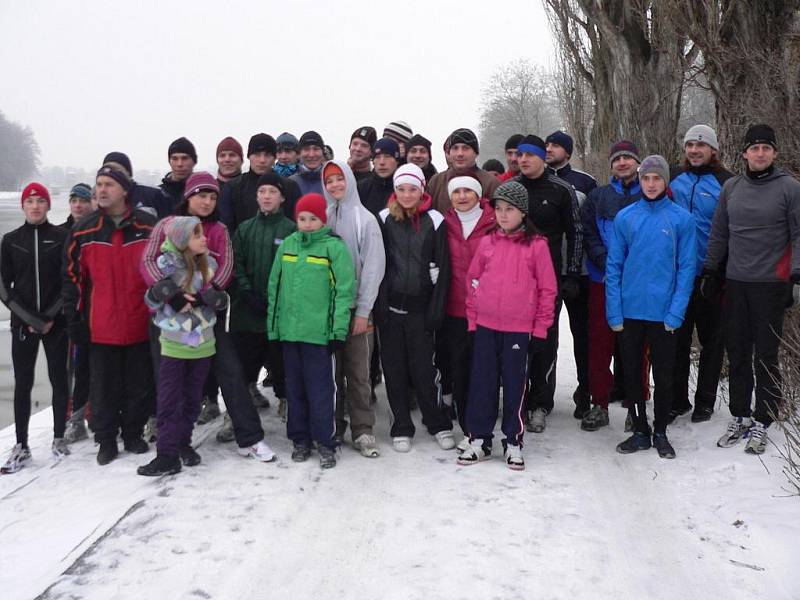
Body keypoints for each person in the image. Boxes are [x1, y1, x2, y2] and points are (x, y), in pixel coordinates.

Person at [141, 172, 276, 461]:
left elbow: (225, 267)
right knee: (169, 385)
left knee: (230, 372)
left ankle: (249, 438)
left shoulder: (218, 229)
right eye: (202, 195)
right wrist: (172, 292)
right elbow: (149, 259)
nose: (207, 201)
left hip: (205, 320)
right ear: (188, 196)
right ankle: (172, 445)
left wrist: (207, 294)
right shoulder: (167, 225)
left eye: (213, 197)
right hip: (170, 322)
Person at [704, 124, 800, 455]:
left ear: (774, 153)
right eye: (754, 147)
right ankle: (740, 414)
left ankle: (765, 416)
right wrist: (711, 270)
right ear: (744, 153)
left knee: (766, 354)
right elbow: (719, 233)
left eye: (766, 148)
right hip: (736, 282)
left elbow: (798, 234)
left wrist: (795, 277)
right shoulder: (731, 188)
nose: (760, 153)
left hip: (772, 284)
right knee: (739, 351)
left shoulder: (789, 188)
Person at [458, 181, 557, 470]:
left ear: (523, 213)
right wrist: (473, 320)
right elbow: (473, 281)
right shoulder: (488, 242)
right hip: (487, 326)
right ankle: (480, 439)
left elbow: (547, 290)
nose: (503, 215)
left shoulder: (537, 246)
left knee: (515, 385)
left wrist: (540, 330)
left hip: (518, 328)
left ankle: (513, 440)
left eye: (509, 210)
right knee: (483, 383)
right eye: (499, 209)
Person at [63, 164, 156, 465]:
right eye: (99, 184)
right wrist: (74, 320)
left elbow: (162, 270)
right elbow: (72, 279)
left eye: (109, 185)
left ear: (125, 190)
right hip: (100, 325)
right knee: (102, 388)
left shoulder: (146, 227)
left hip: (139, 321)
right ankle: (105, 440)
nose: (102, 190)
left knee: (138, 385)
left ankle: (133, 434)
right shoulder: (84, 230)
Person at [606, 155, 696, 459]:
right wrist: (614, 311)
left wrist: (676, 311)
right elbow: (614, 266)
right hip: (630, 311)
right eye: (646, 178)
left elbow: (686, 269)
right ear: (640, 180)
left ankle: (660, 431)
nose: (651, 184)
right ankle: (640, 430)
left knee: (665, 373)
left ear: (666, 180)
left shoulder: (681, 219)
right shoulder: (626, 217)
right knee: (631, 373)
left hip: (664, 313)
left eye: (657, 178)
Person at [267, 193, 356, 469]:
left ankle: (325, 441)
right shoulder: (288, 246)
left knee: (321, 391)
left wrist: (337, 332)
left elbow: (344, 292)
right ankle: (300, 439)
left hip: (319, 335)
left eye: (313, 219)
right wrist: (273, 329)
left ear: (323, 220)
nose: (306, 224)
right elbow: (275, 287)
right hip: (290, 333)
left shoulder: (334, 248)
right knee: (294, 390)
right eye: (302, 218)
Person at [375, 163, 455, 453]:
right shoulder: (383, 219)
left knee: (424, 369)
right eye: (401, 189)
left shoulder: (435, 219)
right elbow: (378, 264)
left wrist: (436, 305)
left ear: (422, 189)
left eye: (412, 189)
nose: (407, 195)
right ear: (395, 191)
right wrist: (380, 306)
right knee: (394, 370)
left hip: (422, 308)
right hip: (392, 308)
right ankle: (401, 425)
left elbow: (443, 266)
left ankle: (438, 423)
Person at [138, 216, 226, 476]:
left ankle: (184, 443)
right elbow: (150, 299)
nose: (204, 238)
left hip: (203, 344)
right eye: (197, 235)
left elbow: (221, 296)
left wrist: (214, 298)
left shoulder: (209, 264)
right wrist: (165, 294)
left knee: (192, 398)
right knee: (169, 399)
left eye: (202, 234)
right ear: (181, 240)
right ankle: (166, 455)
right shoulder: (166, 265)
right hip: (174, 345)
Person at [513, 135, 583, 433]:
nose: (523, 160)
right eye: (519, 155)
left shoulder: (561, 189)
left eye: (529, 155)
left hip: (549, 280)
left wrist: (571, 273)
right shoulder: (512, 188)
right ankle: (517, 399)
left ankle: (540, 403)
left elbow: (576, 232)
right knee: (517, 341)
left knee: (544, 341)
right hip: (515, 279)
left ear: (543, 157)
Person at [0, 183, 70, 473]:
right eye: (30, 201)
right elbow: (4, 287)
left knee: (58, 378)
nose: (36, 205)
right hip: (23, 323)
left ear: (49, 206)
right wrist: (30, 319)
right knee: (24, 382)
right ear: (23, 206)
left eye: (41, 200)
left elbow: (69, 282)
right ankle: (21, 445)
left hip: (56, 321)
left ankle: (58, 437)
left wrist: (49, 316)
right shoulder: (11, 240)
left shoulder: (62, 237)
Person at [580, 140, 646, 432]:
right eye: (617, 158)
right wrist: (606, 263)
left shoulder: (649, 194)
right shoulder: (597, 197)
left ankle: (637, 404)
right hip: (602, 280)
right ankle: (599, 403)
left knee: (637, 344)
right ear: (611, 165)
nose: (622, 163)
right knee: (600, 343)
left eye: (628, 158)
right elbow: (589, 233)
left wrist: (631, 270)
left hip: (637, 283)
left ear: (637, 163)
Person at [669, 125, 733, 423]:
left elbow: (734, 230)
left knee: (712, 340)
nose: (694, 150)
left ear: (713, 150)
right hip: (678, 276)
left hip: (712, 275)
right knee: (677, 340)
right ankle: (677, 399)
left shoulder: (727, 183)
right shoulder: (673, 179)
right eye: (690, 145)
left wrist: (720, 271)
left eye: (701, 145)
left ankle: (705, 401)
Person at [322, 160, 386, 457]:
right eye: (329, 181)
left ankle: (362, 429)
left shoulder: (365, 220)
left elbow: (373, 267)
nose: (335, 185)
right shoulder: (323, 217)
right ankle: (334, 425)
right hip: (328, 311)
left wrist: (363, 311)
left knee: (358, 372)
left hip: (358, 311)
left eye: (339, 179)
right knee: (332, 373)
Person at [230, 172, 296, 421]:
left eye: (272, 192)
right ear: (256, 196)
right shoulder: (245, 229)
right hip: (248, 311)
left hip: (278, 312)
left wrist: (275, 298)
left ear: (282, 197)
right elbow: (236, 264)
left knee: (280, 363)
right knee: (246, 362)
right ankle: (241, 410)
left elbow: (294, 270)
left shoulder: (291, 229)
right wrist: (246, 292)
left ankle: (286, 400)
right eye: (262, 191)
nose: (267, 196)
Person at [545, 130, 597, 418]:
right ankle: (543, 395)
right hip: (547, 271)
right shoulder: (537, 181)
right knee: (545, 337)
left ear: (568, 150)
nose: (549, 149)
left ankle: (585, 392)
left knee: (583, 335)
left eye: (555, 145)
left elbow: (590, 227)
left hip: (580, 273)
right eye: (547, 145)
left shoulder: (585, 182)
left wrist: (579, 269)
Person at [443, 175, 496, 447]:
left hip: (487, 310)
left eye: (468, 191)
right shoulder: (444, 223)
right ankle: (468, 428)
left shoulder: (492, 222)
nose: (462, 196)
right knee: (461, 371)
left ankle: (484, 426)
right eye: (457, 192)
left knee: (484, 371)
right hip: (454, 309)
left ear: (478, 195)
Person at [61, 183, 94, 443]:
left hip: (97, 309)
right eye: (74, 200)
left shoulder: (96, 229)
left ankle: (99, 413)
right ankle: (75, 418)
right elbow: (61, 277)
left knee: (99, 367)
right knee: (75, 368)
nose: (78, 205)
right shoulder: (62, 232)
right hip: (71, 312)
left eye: (83, 200)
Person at [220, 133, 300, 232]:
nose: (262, 160)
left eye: (267, 155)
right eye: (257, 155)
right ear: (249, 156)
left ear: (274, 158)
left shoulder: (290, 187)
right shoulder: (233, 188)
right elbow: (226, 228)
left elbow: (297, 226)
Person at [427, 128, 500, 214]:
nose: (460, 153)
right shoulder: (436, 182)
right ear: (449, 153)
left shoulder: (491, 183)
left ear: (476, 153)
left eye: (465, 148)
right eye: (455, 148)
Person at [357, 137, 401, 217]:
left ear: (397, 160)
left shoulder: (404, 188)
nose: (382, 162)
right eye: (377, 157)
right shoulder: (361, 188)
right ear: (373, 161)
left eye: (387, 156)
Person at [160, 137, 197, 212]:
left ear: (194, 161)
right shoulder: (159, 194)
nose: (179, 164)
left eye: (185, 158)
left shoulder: (203, 193)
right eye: (174, 158)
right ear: (169, 161)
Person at [289, 131, 326, 196]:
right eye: (306, 149)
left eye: (316, 149)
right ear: (299, 153)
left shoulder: (332, 181)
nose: (311, 155)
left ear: (323, 152)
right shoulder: (291, 183)